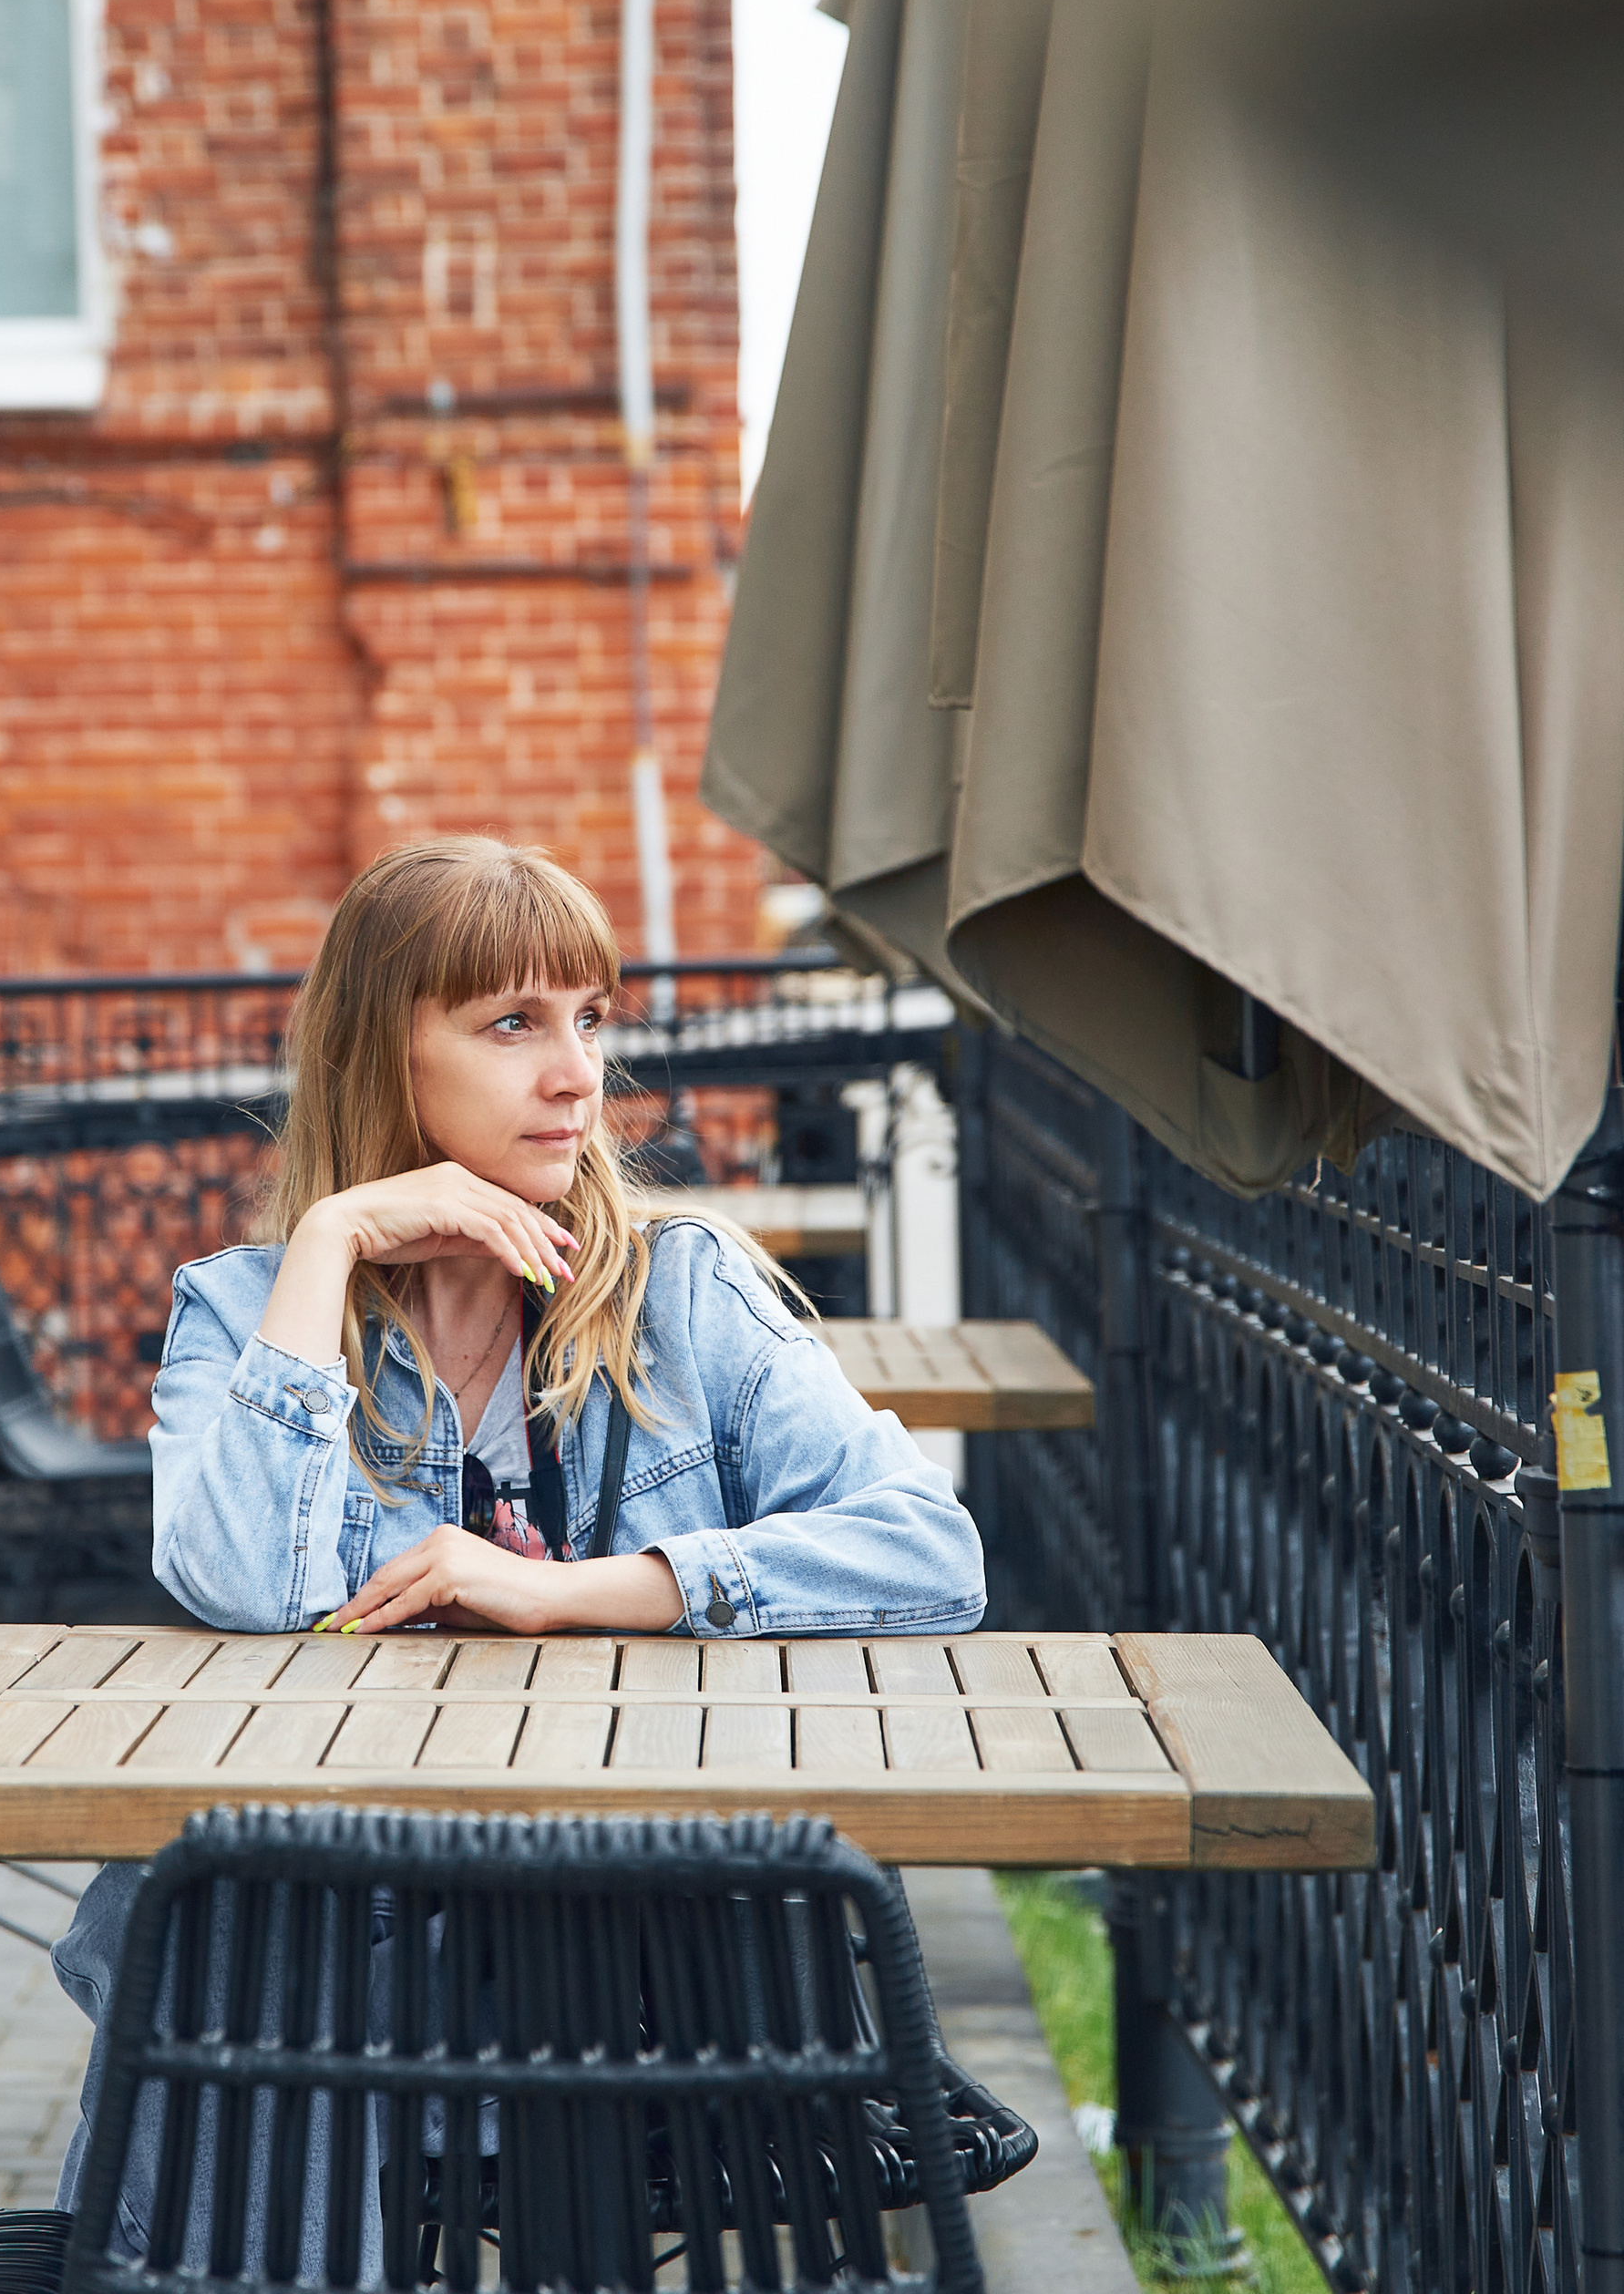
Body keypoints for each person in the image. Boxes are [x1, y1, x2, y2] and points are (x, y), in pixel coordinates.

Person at [51, 836, 985, 2257]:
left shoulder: (682, 1289)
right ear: (386, 1055)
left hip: (645, 1951)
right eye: (511, 1025)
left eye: (589, 1022)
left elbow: (932, 1551)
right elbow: (243, 1585)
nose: (576, 1078)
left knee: (226, 1946)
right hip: (372, 1936)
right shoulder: (251, 1312)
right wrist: (333, 1236)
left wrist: (571, 1596)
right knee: (246, 1925)